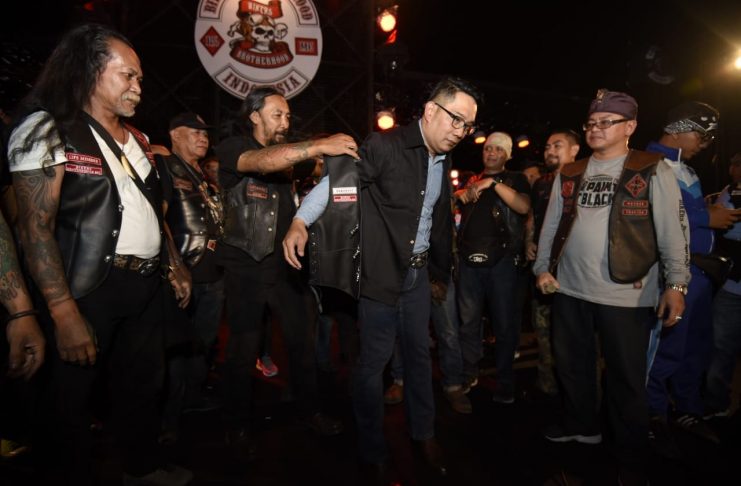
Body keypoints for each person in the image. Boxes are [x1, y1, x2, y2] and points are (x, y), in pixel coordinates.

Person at [7, 23, 191, 485]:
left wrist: (173, 263)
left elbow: (152, 210)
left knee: (143, 385)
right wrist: (63, 310)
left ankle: (141, 469)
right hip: (86, 287)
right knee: (69, 397)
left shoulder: (140, 140)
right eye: (127, 75)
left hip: (145, 286)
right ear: (90, 71)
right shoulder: (48, 128)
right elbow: (35, 227)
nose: (138, 87)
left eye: (140, 78)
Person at [284, 76, 481, 481]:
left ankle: (424, 435)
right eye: (456, 119)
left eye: (468, 125)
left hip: (418, 276)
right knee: (373, 364)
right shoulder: (385, 146)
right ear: (431, 111)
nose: (461, 131)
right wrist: (300, 220)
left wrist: (438, 272)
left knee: (419, 358)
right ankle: (372, 448)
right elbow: (337, 183)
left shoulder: (443, 161)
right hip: (380, 274)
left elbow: (438, 222)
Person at [533, 89, 689, 481]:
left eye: (607, 122)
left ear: (630, 126)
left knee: (625, 380)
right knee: (572, 365)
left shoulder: (651, 168)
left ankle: (631, 456)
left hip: (627, 292)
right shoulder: (570, 171)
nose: (596, 128)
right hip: (568, 287)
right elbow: (551, 225)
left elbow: (672, 230)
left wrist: (676, 284)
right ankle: (582, 425)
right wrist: (542, 267)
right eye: (591, 122)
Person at [214, 86, 357, 450]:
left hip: (285, 267)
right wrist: (318, 145)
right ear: (254, 116)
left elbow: (325, 169)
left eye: (288, 116)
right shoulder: (233, 147)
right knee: (243, 349)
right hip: (245, 266)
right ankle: (235, 425)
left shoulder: (290, 156)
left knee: (301, 342)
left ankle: (310, 411)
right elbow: (262, 162)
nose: (285, 122)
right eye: (277, 115)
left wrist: (352, 162)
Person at [645, 101, 740, 452]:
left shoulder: (687, 169)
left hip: (700, 274)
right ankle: (652, 415)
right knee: (663, 350)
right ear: (680, 128)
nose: (705, 144)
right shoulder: (648, 163)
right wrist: (704, 218)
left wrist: (711, 213)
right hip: (672, 275)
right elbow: (645, 214)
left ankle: (688, 409)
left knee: (695, 348)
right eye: (702, 136)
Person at [157, 112, 226, 444]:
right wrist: (175, 268)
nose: (202, 137)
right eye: (194, 131)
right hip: (185, 275)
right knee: (177, 349)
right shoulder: (165, 168)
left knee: (203, 344)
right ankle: (168, 419)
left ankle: (193, 399)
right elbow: (158, 219)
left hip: (214, 276)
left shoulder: (203, 176)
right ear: (174, 135)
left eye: (205, 133)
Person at [454, 131, 531, 404]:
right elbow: (454, 207)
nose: (492, 152)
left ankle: (505, 381)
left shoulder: (515, 179)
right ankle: (469, 373)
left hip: (502, 263)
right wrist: (461, 193)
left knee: (504, 325)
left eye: (499, 149)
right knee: (468, 323)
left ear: (508, 155)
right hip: (468, 261)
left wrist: (492, 183)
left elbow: (523, 206)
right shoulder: (471, 180)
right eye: (488, 148)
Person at [526, 129, 580, 396]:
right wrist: (528, 242)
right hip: (544, 270)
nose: (550, 151)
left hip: (575, 273)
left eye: (557, 145)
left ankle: (580, 395)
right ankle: (547, 388)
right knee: (544, 333)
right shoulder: (542, 183)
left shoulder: (586, 179)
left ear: (574, 150)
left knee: (577, 338)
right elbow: (533, 218)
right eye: (547, 147)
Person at [704, 152, 741, 420]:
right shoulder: (729, 191)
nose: (735, 169)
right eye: (734, 164)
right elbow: (722, 225)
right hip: (731, 286)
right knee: (720, 346)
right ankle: (716, 403)